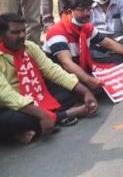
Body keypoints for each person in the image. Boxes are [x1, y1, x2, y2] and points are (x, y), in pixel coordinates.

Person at [0, 13, 99, 144]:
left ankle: (35, 128)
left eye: (23, 31)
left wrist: (85, 91)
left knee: (68, 92)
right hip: (9, 106)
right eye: (15, 32)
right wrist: (41, 115)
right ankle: (63, 115)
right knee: (16, 120)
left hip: (35, 97)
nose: (22, 36)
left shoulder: (29, 47)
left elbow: (52, 70)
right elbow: (7, 95)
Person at [43, 0, 123, 89]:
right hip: (60, 72)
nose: (87, 13)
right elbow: (66, 63)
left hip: (78, 65)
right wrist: (88, 80)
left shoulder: (86, 27)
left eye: (89, 9)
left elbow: (108, 43)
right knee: (81, 91)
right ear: (70, 11)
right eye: (82, 10)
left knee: (120, 61)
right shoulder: (57, 32)